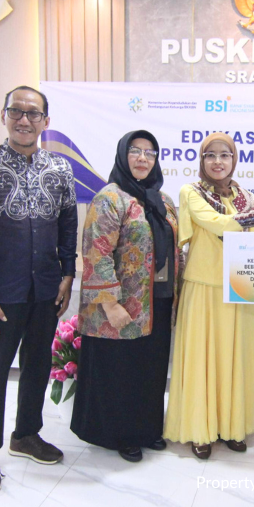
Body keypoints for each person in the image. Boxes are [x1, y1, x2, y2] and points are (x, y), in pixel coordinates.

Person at [0, 85, 77, 495]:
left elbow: (68, 227)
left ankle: (26, 434)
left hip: (45, 289)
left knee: (38, 366)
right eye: (17, 112)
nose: (24, 120)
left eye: (33, 113)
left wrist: (68, 274)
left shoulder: (60, 170)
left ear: (46, 121)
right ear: (4, 116)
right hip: (0, 295)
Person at [163, 132, 254, 459]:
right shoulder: (191, 191)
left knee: (235, 359)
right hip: (203, 288)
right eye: (210, 155)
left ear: (234, 159)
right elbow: (216, 223)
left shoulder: (246, 197)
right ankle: (199, 429)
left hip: (239, 290)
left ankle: (232, 426)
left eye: (225, 155)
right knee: (202, 359)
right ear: (202, 160)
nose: (218, 161)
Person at [71, 130, 179, 462]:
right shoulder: (110, 198)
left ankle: (147, 429)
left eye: (150, 152)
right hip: (121, 304)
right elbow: (97, 252)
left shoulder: (163, 201)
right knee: (121, 370)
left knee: (150, 368)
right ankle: (121, 434)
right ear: (122, 155)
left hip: (158, 301)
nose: (143, 158)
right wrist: (110, 304)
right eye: (135, 150)